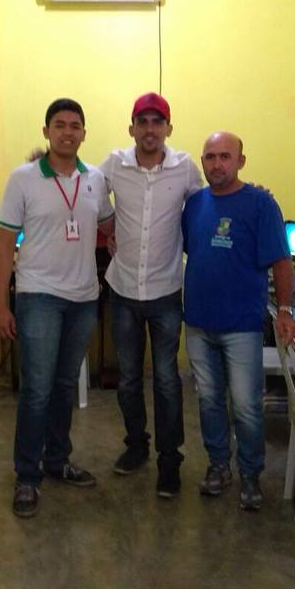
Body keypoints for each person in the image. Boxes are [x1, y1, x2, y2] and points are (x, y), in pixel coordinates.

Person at [0, 98, 115, 518]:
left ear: (84, 133)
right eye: (59, 125)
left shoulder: (95, 179)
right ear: (46, 132)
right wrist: (0, 305)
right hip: (39, 296)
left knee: (64, 386)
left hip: (84, 298)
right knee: (37, 389)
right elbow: (4, 245)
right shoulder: (23, 179)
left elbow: (111, 226)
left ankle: (57, 460)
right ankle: (27, 476)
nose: (67, 132)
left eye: (75, 125)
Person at [181, 131, 295, 510]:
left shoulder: (261, 204)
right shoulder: (193, 205)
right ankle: (219, 466)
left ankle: (251, 474)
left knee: (247, 406)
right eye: (210, 157)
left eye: (225, 156)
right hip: (198, 322)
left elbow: (282, 262)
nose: (217, 164)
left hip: (242, 326)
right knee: (209, 400)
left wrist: (285, 310)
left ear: (241, 161)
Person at [99, 92, 204, 498]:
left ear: (168, 128)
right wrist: (108, 228)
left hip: (165, 291)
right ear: (131, 128)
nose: (149, 129)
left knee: (166, 380)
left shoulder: (185, 168)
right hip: (124, 289)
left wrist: (251, 194)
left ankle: (169, 460)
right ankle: (136, 445)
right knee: (128, 378)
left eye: (157, 122)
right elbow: (86, 193)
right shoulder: (115, 164)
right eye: (142, 122)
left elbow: (206, 208)